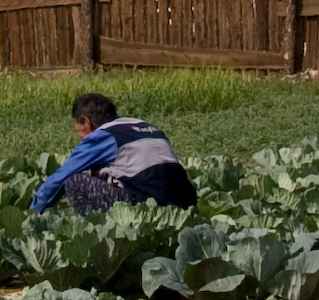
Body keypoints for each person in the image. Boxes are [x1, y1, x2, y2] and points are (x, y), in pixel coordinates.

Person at [32, 92, 199, 214]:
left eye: (79, 131)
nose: (80, 139)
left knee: (74, 182)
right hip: (185, 202)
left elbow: (62, 177)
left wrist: (33, 213)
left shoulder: (103, 135)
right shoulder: (146, 126)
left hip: (147, 205)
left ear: (87, 123)